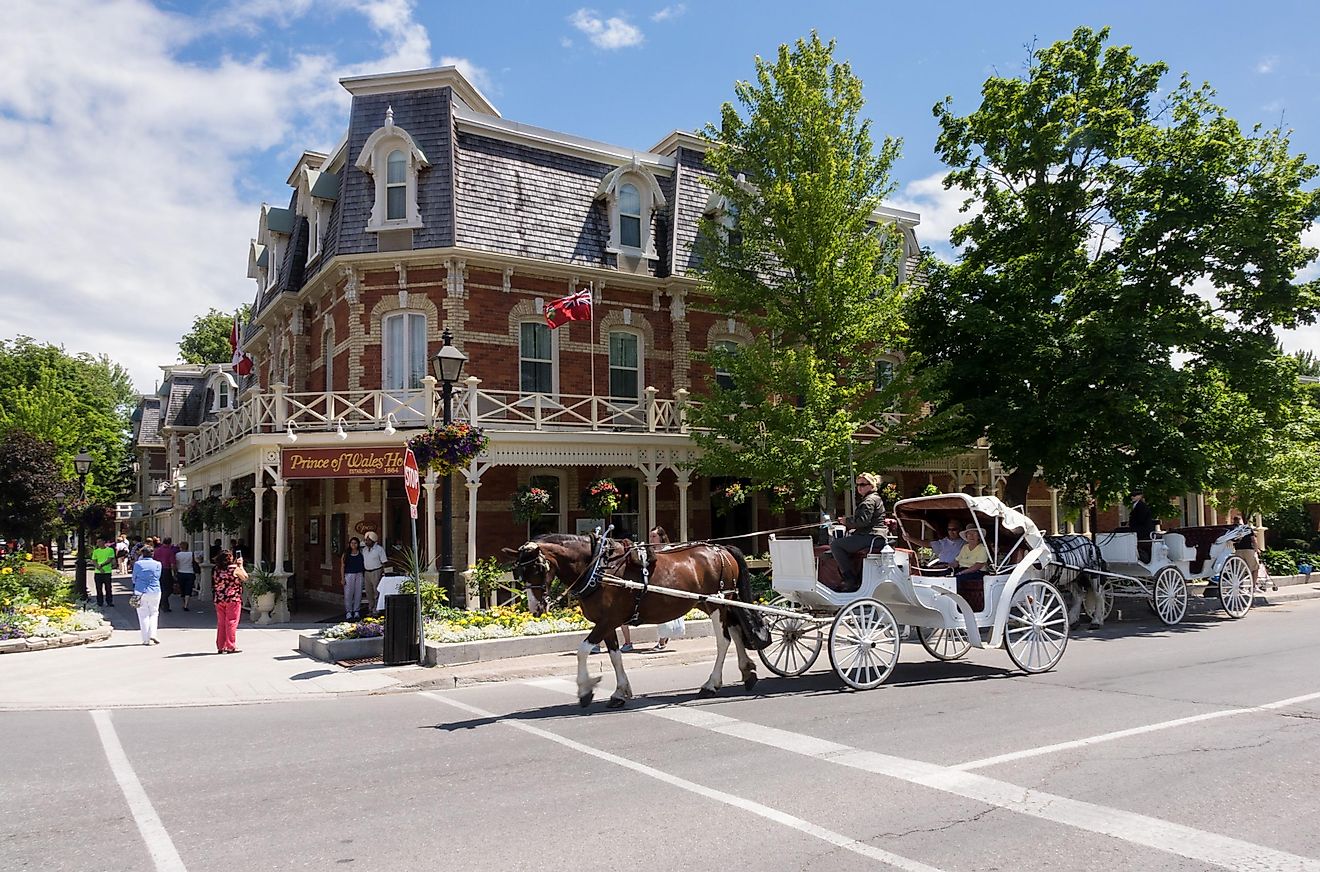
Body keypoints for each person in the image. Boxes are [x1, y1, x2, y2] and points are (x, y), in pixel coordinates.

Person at [828, 472, 888, 590]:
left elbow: (863, 521)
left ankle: (850, 579)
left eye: (862, 484)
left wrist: (847, 521)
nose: (859, 487)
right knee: (844, 542)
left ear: (871, 486)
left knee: (836, 545)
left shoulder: (869, 501)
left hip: (872, 537)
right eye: (857, 485)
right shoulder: (873, 498)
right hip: (874, 537)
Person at [650, 526, 682, 650]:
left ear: (661, 537)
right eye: (650, 536)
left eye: (654, 536)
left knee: (663, 613)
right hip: (657, 584)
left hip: (669, 584)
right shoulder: (651, 551)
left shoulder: (668, 550)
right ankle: (663, 639)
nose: (651, 539)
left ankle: (662, 641)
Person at [212, 550, 247, 654]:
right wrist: (241, 565)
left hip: (219, 598)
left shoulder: (216, 570)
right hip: (232, 598)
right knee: (231, 622)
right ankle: (231, 645)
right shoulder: (235, 569)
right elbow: (245, 577)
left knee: (221, 623)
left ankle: (221, 646)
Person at [952, 526, 990, 611]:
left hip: (977, 572)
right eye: (969, 534)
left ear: (979, 537)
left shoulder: (982, 548)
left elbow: (978, 566)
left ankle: (958, 607)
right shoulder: (965, 547)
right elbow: (956, 562)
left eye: (974, 534)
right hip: (962, 570)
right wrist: (945, 567)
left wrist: (962, 572)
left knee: (956, 579)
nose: (971, 536)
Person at [132, 545, 162, 646]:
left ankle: (145, 639)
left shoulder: (138, 564)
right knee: (154, 613)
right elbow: (158, 576)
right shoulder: (158, 564)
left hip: (140, 590)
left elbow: (134, 578)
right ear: (152, 554)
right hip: (155, 590)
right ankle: (153, 633)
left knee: (143, 615)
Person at [361, 531, 388, 616]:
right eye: (366, 540)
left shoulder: (379, 549)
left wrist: (384, 572)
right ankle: (370, 608)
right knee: (369, 592)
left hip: (376, 571)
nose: (366, 542)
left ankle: (377, 609)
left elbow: (384, 561)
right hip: (367, 572)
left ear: (373, 540)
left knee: (376, 591)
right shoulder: (364, 550)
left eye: (368, 540)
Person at [1128, 490, 1157, 563]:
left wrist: (1131, 524)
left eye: (1134, 495)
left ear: (1140, 496)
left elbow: (1140, 519)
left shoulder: (1142, 506)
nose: (1132, 497)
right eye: (1132, 495)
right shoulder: (1136, 505)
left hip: (1143, 531)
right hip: (1139, 529)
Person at [342, 537, 365, 620]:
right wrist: (342, 578)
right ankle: (348, 611)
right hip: (349, 575)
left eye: (355, 543)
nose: (353, 545)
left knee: (358, 593)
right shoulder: (346, 554)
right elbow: (342, 566)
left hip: (359, 574)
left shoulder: (361, 553)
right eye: (352, 543)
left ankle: (356, 611)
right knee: (348, 593)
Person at [91, 539, 117, 607]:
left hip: (107, 572)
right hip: (98, 572)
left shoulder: (110, 550)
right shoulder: (96, 551)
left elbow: (109, 559)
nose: (98, 543)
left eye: (99, 542)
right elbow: (94, 560)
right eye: (97, 542)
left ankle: (109, 602)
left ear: (103, 542)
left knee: (108, 588)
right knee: (98, 588)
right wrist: (99, 568)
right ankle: (100, 602)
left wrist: (101, 565)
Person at [157, 536, 177, 612]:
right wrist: (174, 573)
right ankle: (163, 602)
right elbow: (172, 564)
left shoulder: (158, 550)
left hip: (158, 570)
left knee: (161, 587)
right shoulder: (169, 551)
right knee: (168, 589)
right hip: (166, 570)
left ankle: (164, 604)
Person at [175, 542, 197, 611]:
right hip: (190, 572)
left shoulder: (177, 555)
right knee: (188, 588)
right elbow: (196, 561)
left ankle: (184, 602)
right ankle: (186, 605)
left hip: (181, 572)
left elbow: (176, 564)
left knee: (182, 588)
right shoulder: (191, 554)